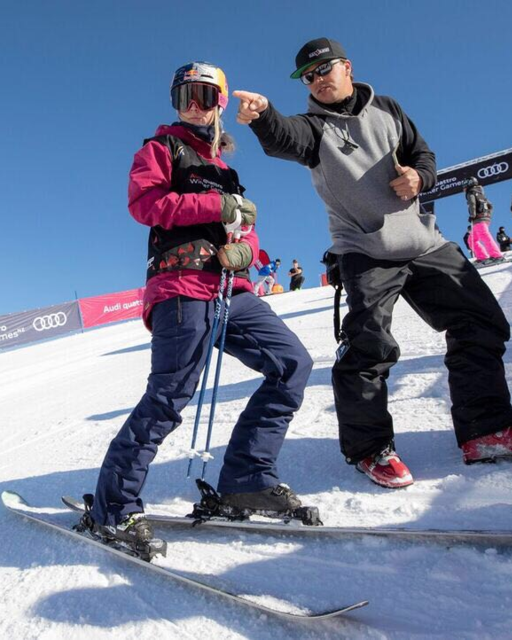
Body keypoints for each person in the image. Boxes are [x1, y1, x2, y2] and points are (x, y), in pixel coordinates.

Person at [234, 38, 512, 486]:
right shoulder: (313, 128)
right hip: (365, 250)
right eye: (308, 76)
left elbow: (423, 156)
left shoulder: (388, 108)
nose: (317, 79)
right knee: (369, 346)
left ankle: (486, 429)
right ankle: (370, 449)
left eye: (324, 68)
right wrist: (263, 116)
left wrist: (419, 176)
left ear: (346, 66)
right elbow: (282, 138)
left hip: (424, 241)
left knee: (481, 321)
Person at [83, 62, 313, 558]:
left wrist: (247, 248)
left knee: (292, 364)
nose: (194, 102)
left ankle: (247, 478)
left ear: (220, 103)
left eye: (206, 95)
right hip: (181, 286)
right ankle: (113, 507)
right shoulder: (159, 149)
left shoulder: (227, 170)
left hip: (232, 291)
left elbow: (244, 232)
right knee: (169, 395)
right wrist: (218, 209)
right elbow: (146, 204)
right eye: (186, 93)